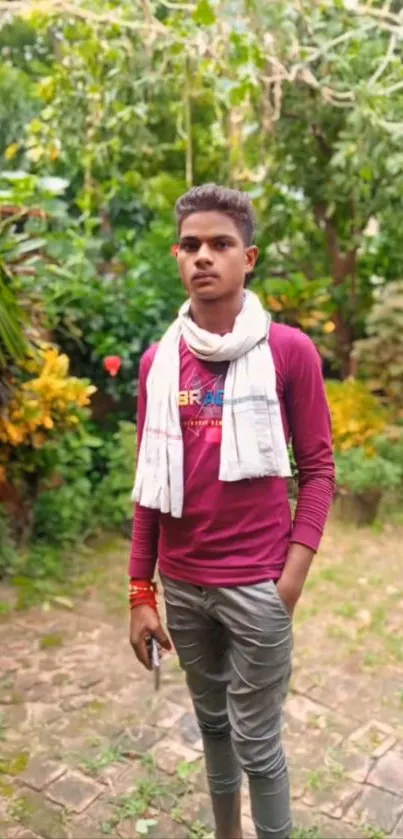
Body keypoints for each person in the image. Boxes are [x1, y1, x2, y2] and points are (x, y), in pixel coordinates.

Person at [128, 184, 334, 839]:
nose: (203, 257)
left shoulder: (288, 352)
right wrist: (140, 589)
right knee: (211, 725)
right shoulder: (159, 364)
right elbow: (148, 484)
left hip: (257, 585)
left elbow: (320, 469)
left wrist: (290, 578)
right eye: (190, 245)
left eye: (219, 244)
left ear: (249, 257)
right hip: (184, 587)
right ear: (176, 255)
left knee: (257, 742)